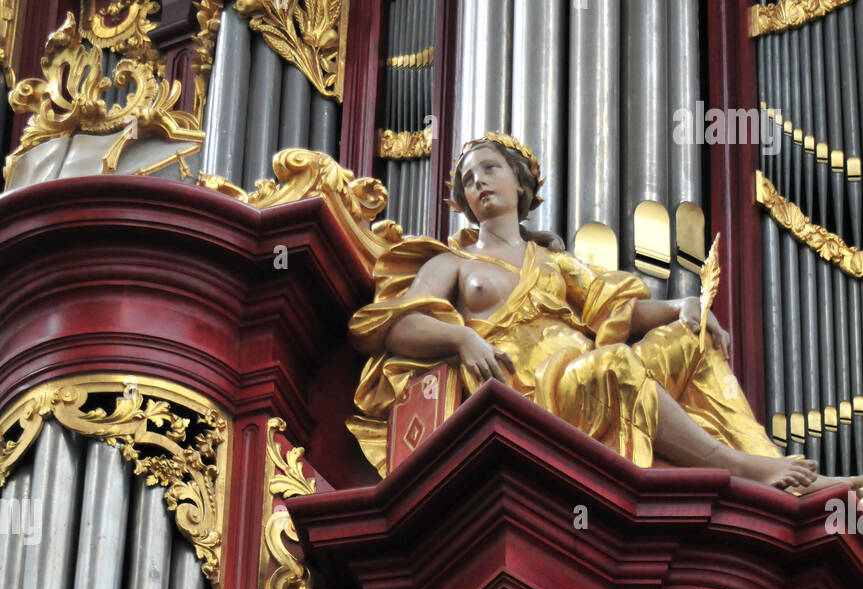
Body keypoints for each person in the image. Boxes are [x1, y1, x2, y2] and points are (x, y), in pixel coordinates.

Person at [348, 132, 860, 497]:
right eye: (468, 178)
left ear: (519, 184)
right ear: (462, 199)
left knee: (692, 336)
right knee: (613, 362)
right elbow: (398, 326)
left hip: (585, 376)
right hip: (530, 395)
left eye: (490, 169)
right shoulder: (452, 263)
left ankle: (782, 472)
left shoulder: (554, 261)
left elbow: (618, 310)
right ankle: (737, 468)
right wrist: (462, 340)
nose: (478, 181)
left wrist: (681, 305)